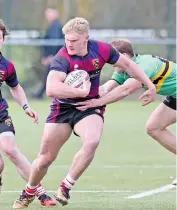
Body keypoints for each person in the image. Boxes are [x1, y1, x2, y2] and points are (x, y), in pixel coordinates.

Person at [13, 18, 156, 209]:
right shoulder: (62, 57)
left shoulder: (102, 50)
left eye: (73, 40)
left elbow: (129, 65)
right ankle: (29, 190)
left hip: (90, 107)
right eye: (66, 40)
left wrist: (149, 84)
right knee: (45, 159)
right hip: (62, 109)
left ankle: (66, 186)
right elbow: (51, 88)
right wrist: (79, 92)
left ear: (86, 38)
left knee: (92, 140)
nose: (68, 44)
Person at [77, 38, 176, 184]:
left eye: (112, 56)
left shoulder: (143, 65)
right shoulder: (123, 69)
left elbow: (125, 90)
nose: (109, 61)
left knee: (154, 126)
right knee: (154, 127)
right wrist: (79, 97)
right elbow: (105, 88)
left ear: (123, 55)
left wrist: (97, 103)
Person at [0, 19, 56, 206]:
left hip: (0, 114)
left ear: (3, 39)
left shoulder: (6, 66)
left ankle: (39, 193)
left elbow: (15, 88)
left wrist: (26, 107)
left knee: (11, 150)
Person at [34, 7, 64, 99]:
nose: (48, 15)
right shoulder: (52, 26)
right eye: (47, 13)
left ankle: (41, 94)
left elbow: (54, 42)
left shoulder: (56, 26)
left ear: (55, 14)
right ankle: (41, 93)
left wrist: (51, 56)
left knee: (51, 75)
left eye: (50, 13)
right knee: (49, 75)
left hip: (55, 56)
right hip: (54, 56)